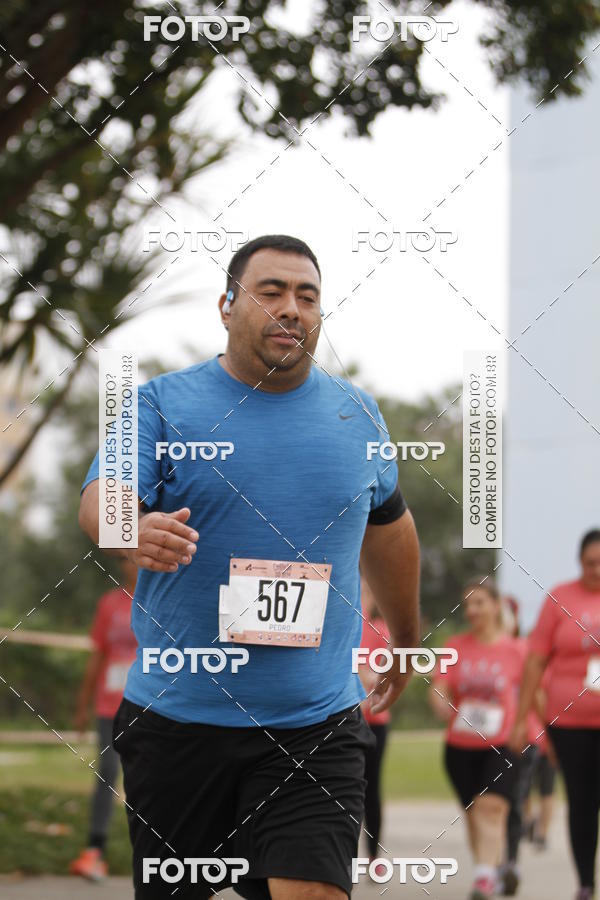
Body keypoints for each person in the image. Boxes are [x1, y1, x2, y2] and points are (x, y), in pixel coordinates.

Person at [78, 234, 421, 900]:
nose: (291, 308)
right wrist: (132, 528)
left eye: (308, 296)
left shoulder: (358, 415)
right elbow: (103, 497)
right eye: (271, 292)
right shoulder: (162, 405)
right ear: (227, 307)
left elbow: (389, 527)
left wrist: (407, 638)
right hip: (179, 724)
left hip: (314, 724)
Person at [510, 529, 600, 900]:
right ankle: (585, 884)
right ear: (579, 563)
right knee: (582, 801)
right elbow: (534, 661)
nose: (597, 569)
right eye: (590, 563)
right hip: (569, 723)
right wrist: (519, 720)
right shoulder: (560, 598)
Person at [429, 579, 524, 900]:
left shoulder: (516, 650)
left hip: (501, 743)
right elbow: (440, 683)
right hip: (460, 746)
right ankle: (491, 869)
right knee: (474, 815)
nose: (471, 610)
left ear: (496, 605)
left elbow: (533, 693)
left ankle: (483, 878)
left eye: (479, 602)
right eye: (467, 604)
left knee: (492, 808)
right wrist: (439, 699)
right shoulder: (455, 646)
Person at [69, 557, 138, 881]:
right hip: (109, 708)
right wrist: (82, 705)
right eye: (127, 558)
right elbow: (97, 655)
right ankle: (95, 850)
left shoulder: (160, 600)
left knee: (147, 780)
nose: (133, 564)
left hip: (149, 707)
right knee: (108, 771)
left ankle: (154, 851)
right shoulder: (109, 604)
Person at [356, 574, 391, 870]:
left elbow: (386, 672)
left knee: (372, 787)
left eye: (367, 589)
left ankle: (374, 855)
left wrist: (369, 676)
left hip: (375, 719)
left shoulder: (379, 629)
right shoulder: (342, 624)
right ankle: (347, 857)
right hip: (345, 717)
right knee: (346, 786)